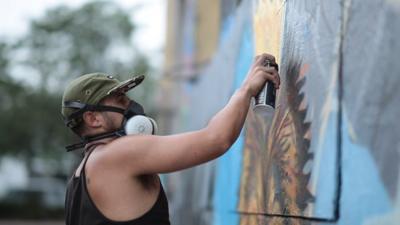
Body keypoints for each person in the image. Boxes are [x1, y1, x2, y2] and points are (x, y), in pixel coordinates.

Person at [61, 53, 280, 225]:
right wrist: (246, 90)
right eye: (120, 100)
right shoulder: (119, 154)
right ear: (93, 118)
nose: (130, 105)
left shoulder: (80, 175)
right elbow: (215, 140)